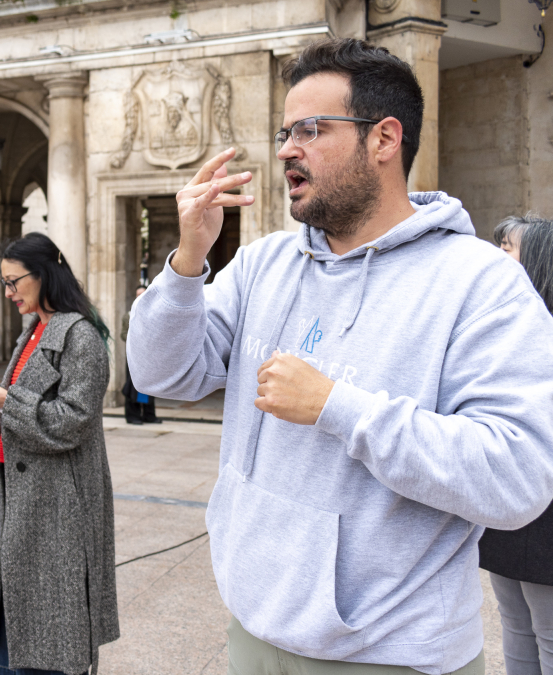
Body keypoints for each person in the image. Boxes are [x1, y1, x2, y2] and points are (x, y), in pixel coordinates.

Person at [128, 38, 553, 675]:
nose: (285, 149)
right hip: (254, 627)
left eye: (310, 129)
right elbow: (163, 374)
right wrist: (189, 264)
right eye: (284, 131)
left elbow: (516, 477)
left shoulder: (479, 282)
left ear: (384, 139)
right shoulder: (263, 263)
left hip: (391, 654)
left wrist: (339, 407)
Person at [0, 232, 119, 675]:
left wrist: (5, 401)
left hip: (60, 500)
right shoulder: (33, 329)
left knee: (53, 629)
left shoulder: (81, 336)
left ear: (46, 273)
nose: (8, 293)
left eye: (14, 282)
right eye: (4, 284)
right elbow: (19, 404)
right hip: (24, 494)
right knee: (20, 615)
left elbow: (72, 421)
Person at [480, 213, 553, 675]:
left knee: (548, 631)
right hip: (506, 506)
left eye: (508, 247)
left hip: (546, 511)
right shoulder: (500, 328)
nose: (498, 255)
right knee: (516, 624)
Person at [120, 286, 159, 425]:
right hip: (134, 357)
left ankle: (149, 415)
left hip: (148, 357)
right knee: (132, 386)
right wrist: (137, 338)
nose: (140, 297)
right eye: (138, 294)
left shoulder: (153, 313)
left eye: (142, 294)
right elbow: (123, 334)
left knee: (149, 386)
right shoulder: (129, 315)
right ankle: (133, 416)